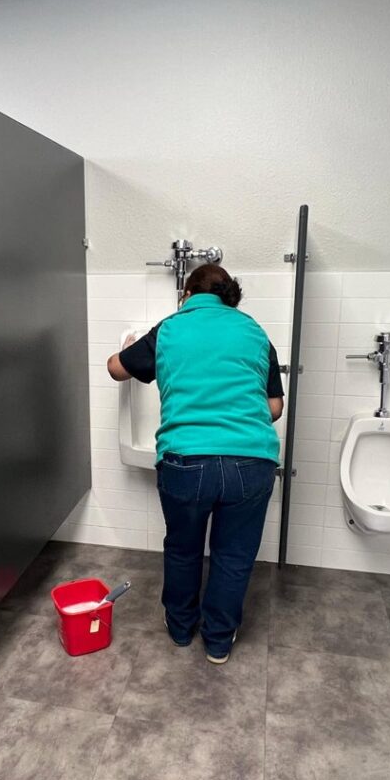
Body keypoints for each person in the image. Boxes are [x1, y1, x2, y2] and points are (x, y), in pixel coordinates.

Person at [107, 264, 283, 664]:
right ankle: (218, 641)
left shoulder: (170, 329)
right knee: (233, 555)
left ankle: (181, 628)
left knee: (183, 548)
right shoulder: (255, 332)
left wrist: (130, 346)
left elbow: (116, 369)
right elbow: (274, 407)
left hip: (185, 462)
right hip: (251, 463)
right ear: (229, 297)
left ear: (187, 294)